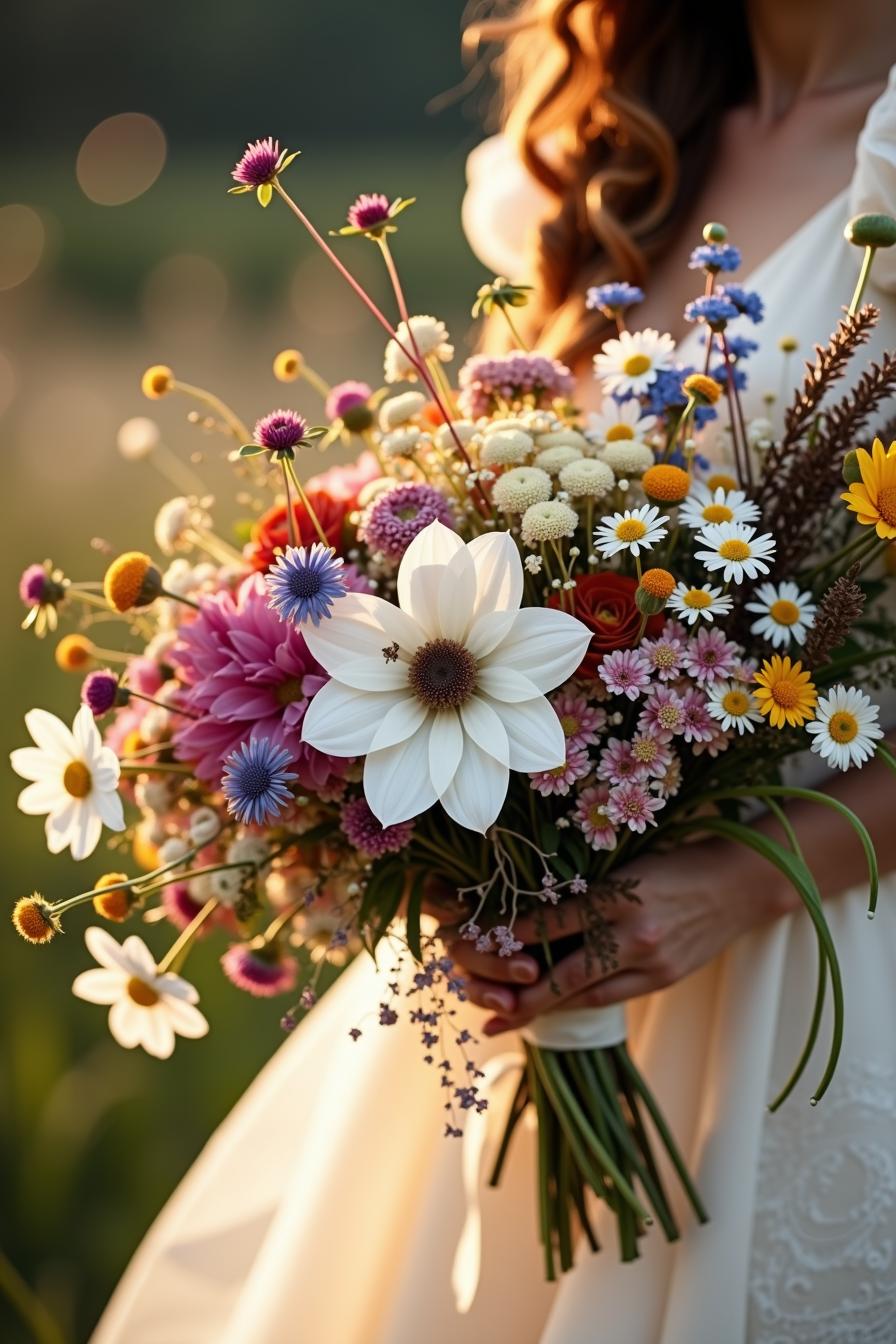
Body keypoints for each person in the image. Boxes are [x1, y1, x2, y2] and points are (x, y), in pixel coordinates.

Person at [93, 4, 896, 1341]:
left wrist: (739, 884)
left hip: (826, 936)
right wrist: (454, 830)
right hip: (559, 965)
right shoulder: (610, 142)